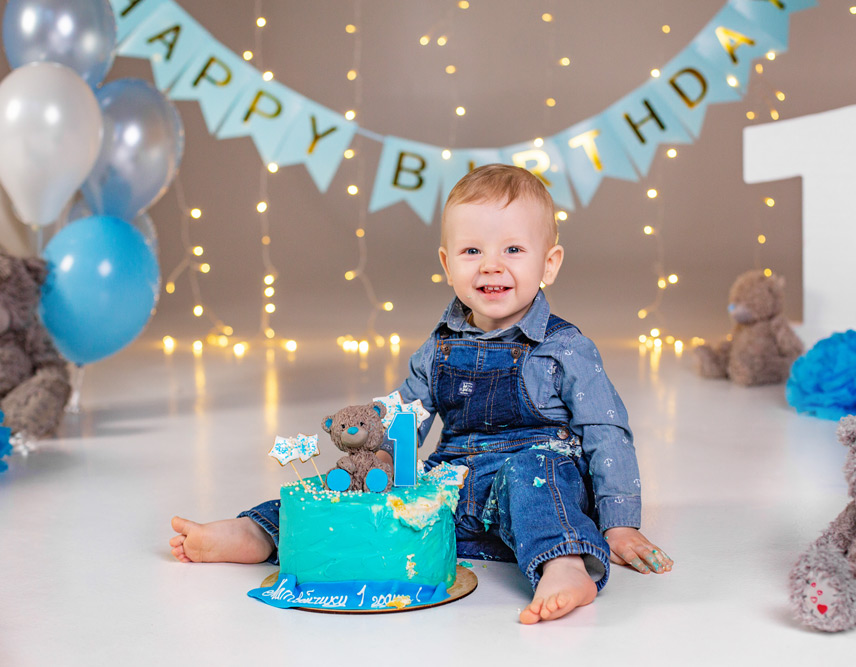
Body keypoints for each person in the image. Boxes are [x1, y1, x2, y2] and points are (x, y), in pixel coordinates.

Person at [170, 164, 672, 623]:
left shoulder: (565, 348)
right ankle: (262, 531)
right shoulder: (439, 348)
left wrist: (619, 522)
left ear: (550, 262)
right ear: (447, 264)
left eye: (513, 250)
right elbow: (404, 417)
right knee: (367, 485)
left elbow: (607, 432)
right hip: (458, 483)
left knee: (533, 475)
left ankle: (564, 565)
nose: (491, 266)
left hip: (539, 479)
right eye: (472, 251)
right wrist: (374, 457)